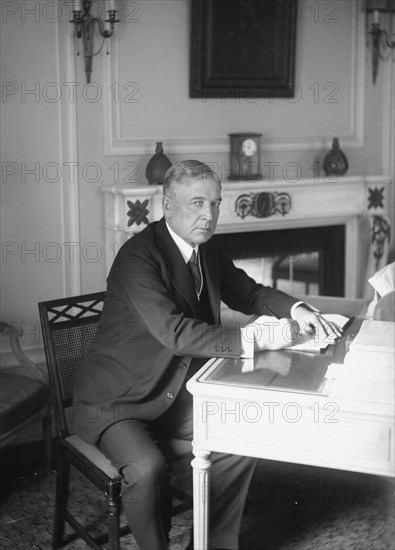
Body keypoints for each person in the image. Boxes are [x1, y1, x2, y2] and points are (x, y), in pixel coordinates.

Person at [73, 160, 342, 550]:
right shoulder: (138, 258)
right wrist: (254, 340)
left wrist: (297, 308)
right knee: (148, 468)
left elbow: (249, 293)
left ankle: (214, 543)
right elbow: (175, 333)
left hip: (174, 392)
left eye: (215, 203)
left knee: (240, 436)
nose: (209, 214)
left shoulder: (208, 251)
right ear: (167, 206)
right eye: (197, 203)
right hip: (118, 401)